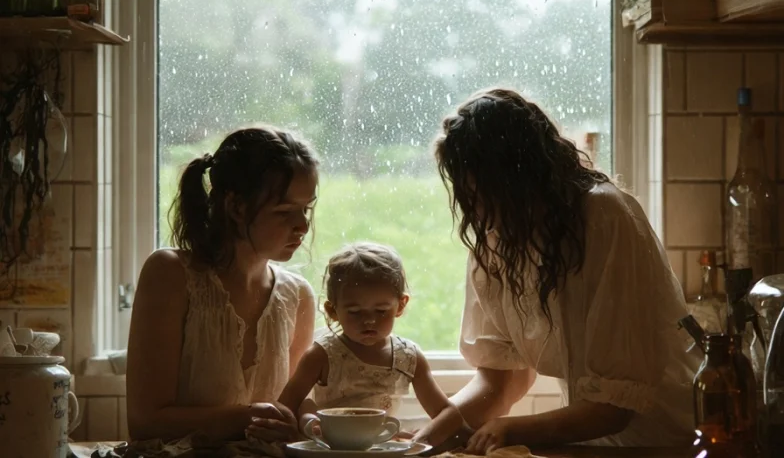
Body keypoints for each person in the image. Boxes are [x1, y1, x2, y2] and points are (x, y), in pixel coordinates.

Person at [419, 88, 699, 453]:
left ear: (519, 176)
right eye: (470, 196)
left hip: (670, 441)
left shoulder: (603, 217)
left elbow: (616, 406)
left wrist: (511, 430)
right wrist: (423, 440)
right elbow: (502, 381)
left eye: (486, 192)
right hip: (590, 443)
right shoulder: (498, 237)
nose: (479, 210)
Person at [126, 126, 319, 443]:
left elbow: (296, 402)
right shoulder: (171, 276)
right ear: (236, 207)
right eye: (284, 211)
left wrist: (307, 424)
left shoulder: (298, 296)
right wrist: (245, 419)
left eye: (306, 208)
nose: (303, 225)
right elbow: (144, 422)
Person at [278, 242, 464, 445]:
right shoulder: (322, 355)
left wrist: (421, 438)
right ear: (333, 311)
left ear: (400, 306)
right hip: (331, 450)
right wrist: (307, 423)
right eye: (355, 312)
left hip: (383, 449)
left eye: (381, 310)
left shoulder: (408, 357)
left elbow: (448, 413)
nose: (368, 320)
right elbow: (285, 408)